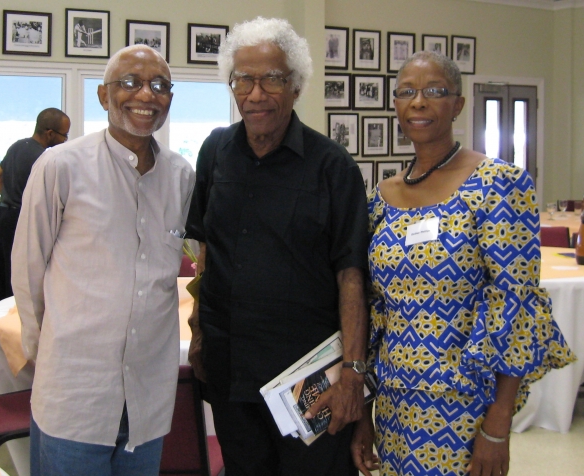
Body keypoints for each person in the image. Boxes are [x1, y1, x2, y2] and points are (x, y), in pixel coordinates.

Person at [352, 50, 575, 476]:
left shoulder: (498, 185)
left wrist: (497, 426)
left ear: (458, 104)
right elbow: (374, 310)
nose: (419, 102)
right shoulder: (380, 198)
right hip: (396, 402)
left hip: (465, 405)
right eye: (407, 92)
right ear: (395, 104)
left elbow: (517, 307)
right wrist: (364, 410)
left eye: (435, 91)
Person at [186, 17, 369, 476]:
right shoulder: (215, 151)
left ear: (296, 86)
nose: (256, 92)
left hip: (309, 380)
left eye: (271, 78)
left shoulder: (333, 166)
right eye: (243, 78)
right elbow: (205, 252)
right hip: (230, 370)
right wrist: (199, 332)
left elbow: (352, 276)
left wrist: (353, 374)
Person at [11, 44, 195, 476]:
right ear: (102, 95)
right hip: (75, 397)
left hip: (147, 401)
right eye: (129, 83)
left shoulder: (182, 177)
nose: (145, 95)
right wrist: (51, 363)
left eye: (159, 86)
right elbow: (27, 271)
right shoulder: (60, 166)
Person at [0, 108, 70, 307]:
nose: (66, 140)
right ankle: (12, 325)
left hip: (1, 216)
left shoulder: (17, 146)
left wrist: (11, 197)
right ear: (50, 133)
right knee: (17, 276)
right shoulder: (44, 159)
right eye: (64, 135)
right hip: (18, 220)